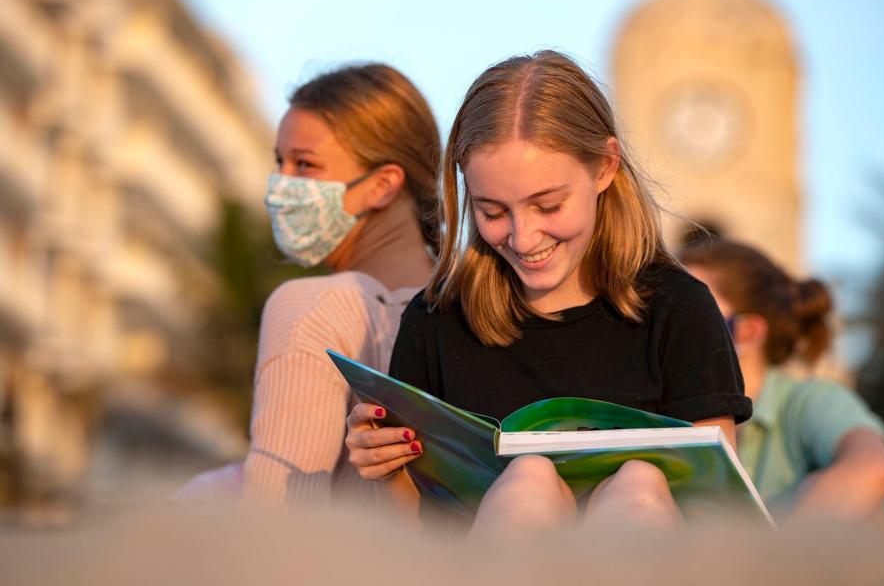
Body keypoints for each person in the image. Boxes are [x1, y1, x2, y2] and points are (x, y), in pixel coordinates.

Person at [343, 51, 752, 536]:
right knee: (528, 480)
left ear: (605, 166)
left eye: (548, 205)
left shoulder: (678, 309)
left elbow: (717, 516)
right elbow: (411, 538)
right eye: (493, 212)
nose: (523, 237)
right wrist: (386, 469)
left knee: (639, 484)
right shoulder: (436, 321)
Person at [173, 64, 442, 507]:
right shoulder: (479, 306)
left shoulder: (312, 307)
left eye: (305, 164)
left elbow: (279, 518)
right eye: (280, 163)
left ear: (382, 185)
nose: (280, 188)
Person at [679, 239, 884, 521]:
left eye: (688, 311)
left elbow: (874, 467)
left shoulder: (809, 400)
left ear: (748, 332)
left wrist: (771, 552)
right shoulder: (674, 421)